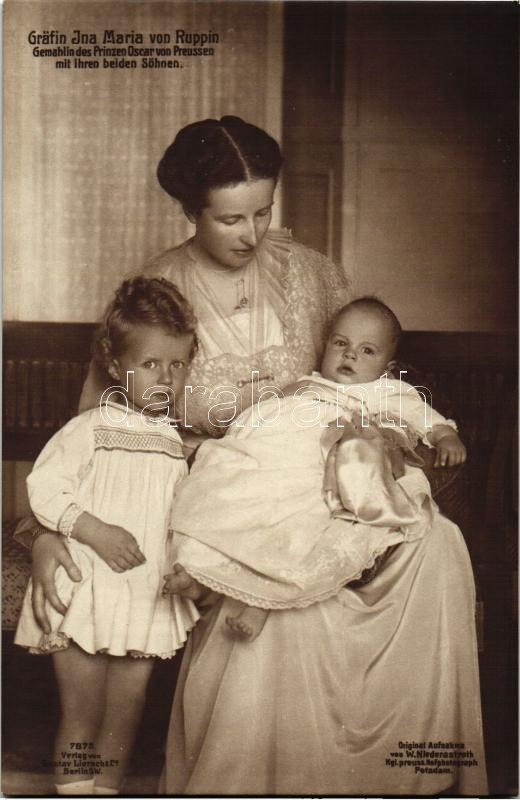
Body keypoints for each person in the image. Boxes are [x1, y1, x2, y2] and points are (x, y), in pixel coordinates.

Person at [21, 115, 350, 632]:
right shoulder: (157, 291)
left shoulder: (311, 273)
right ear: (190, 211)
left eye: (263, 213)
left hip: (308, 487)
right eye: (230, 219)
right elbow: (92, 429)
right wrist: (45, 534)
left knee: (428, 546)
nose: (252, 235)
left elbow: (365, 376)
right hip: (201, 503)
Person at [163, 297, 467, 642]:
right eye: (341, 344)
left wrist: (445, 436)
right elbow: (269, 410)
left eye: (367, 351)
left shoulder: (388, 391)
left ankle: (264, 602)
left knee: (300, 514)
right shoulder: (309, 383)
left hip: (320, 460)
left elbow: (424, 418)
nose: (350, 355)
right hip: (275, 453)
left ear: (387, 366)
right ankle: (202, 578)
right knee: (229, 484)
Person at [14, 277, 200, 795]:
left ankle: (108, 792)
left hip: (142, 596)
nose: (165, 377)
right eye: (150, 364)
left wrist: (184, 563)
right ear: (116, 367)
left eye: (178, 364)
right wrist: (93, 530)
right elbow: (45, 489)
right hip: (86, 588)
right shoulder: (90, 429)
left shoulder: (173, 444)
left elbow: (183, 516)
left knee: (125, 715)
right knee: (83, 713)